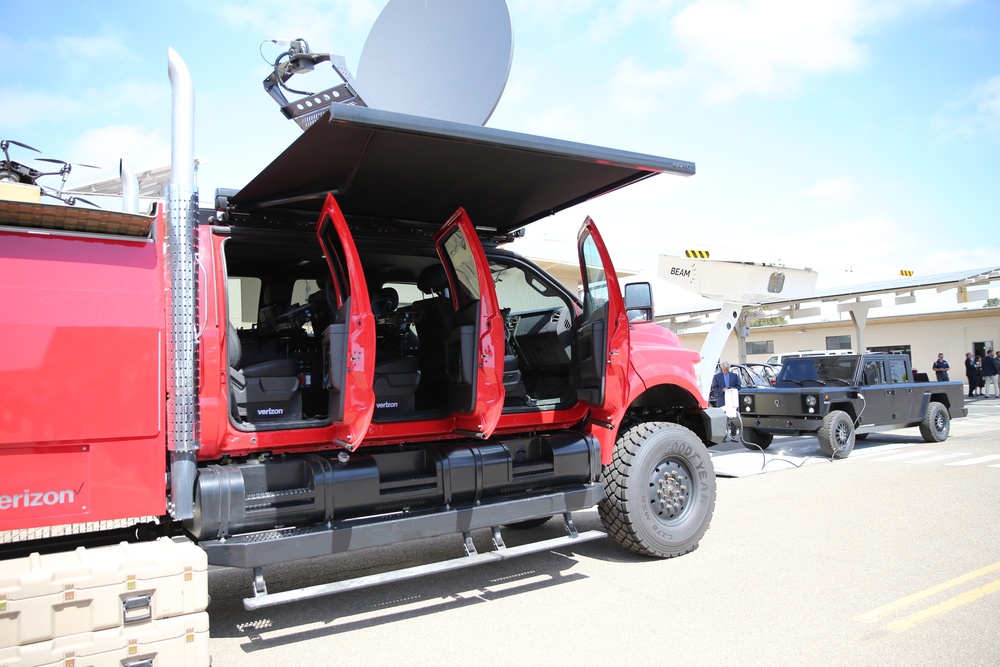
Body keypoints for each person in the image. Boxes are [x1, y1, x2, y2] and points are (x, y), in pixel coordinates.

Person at [710, 361, 741, 440]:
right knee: (723, 417)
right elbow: (714, 388)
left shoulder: (734, 376)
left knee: (733, 416)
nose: (725, 371)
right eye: (724, 370)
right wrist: (722, 390)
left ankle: (733, 435)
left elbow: (739, 386)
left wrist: (733, 389)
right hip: (722, 398)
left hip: (732, 398)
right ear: (721, 369)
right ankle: (723, 435)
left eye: (727, 370)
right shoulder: (717, 377)